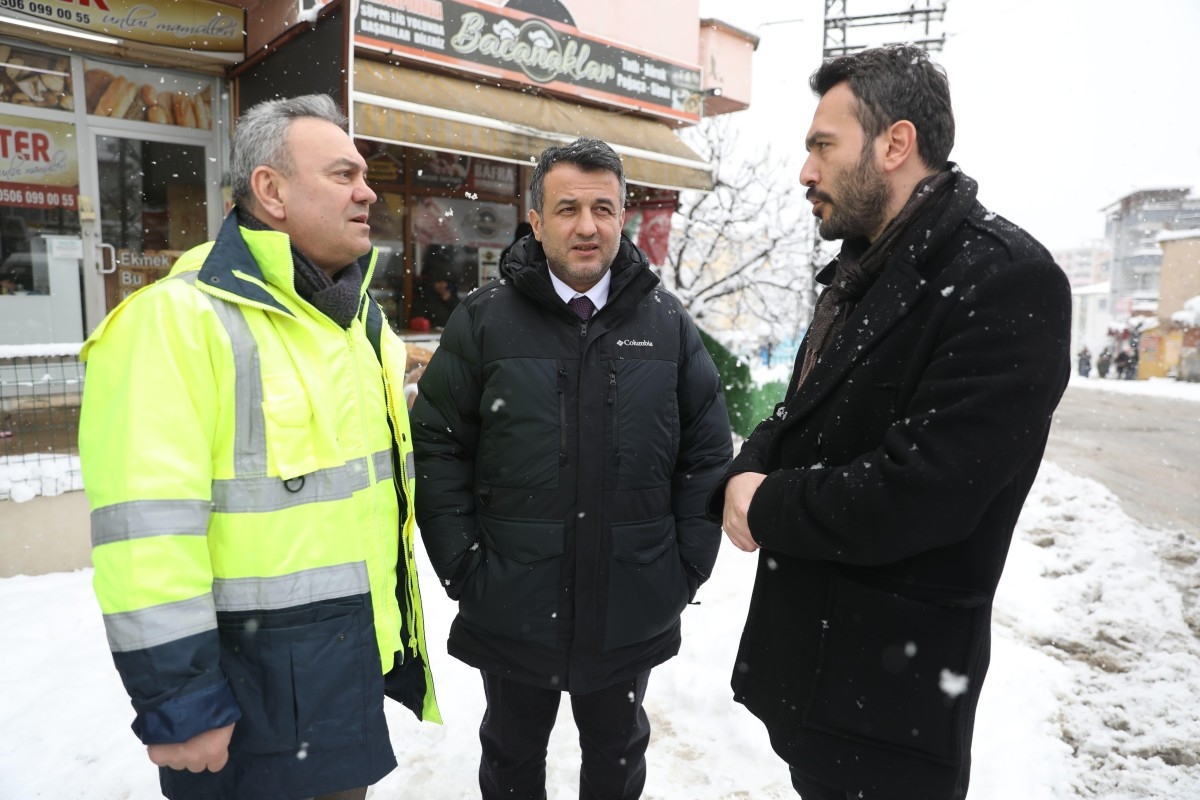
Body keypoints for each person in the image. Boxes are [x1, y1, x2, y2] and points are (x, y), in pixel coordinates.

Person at [709, 46, 1071, 800]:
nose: (805, 171)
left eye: (821, 145)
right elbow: (805, 404)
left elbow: (924, 491)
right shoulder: (861, 268)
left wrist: (764, 501)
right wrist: (754, 458)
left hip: (889, 706)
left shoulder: (1006, 279)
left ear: (895, 144)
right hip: (815, 684)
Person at [78, 94, 441, 800]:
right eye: (343, 174)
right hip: (244, 699)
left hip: (338, 678)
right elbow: (146, 535)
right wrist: (180, 702)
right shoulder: (174, 324)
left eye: (364, 175)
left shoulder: (352, 322)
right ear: (270, 191)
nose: (368, 191)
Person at [411, 137, 733, 800]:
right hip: (511, 602)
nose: (587, 226)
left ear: (622, 216)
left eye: (603, 208)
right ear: (535, 219)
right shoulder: (484, 321)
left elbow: (706, 450)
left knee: (616, 761)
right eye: (567, 208)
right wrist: (466, 567)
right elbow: (440, 445)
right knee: (510, 758)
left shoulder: (667, 326)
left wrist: (682, 568)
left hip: (630, 603)